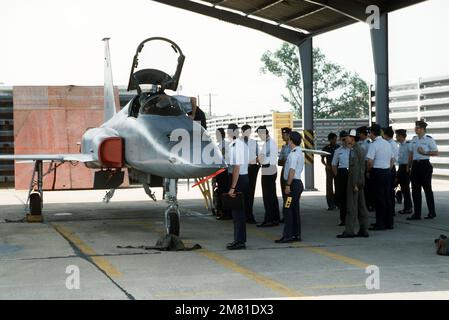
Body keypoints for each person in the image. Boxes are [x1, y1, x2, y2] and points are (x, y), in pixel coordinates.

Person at [337, 129, 369, 238]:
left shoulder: (354, 151)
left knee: (351, 207)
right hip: (361, 180)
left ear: (352, 138)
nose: (347, 138)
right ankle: (364, 229)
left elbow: (355, 169)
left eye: (348, 136)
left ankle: (349, 231)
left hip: (354, 181)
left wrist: (355, 184)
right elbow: (362, 169)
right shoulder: (361, 149)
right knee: (361, 206)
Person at [275, 131, 304, 243]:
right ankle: (296, 234)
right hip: (297, 184)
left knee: (287, 209)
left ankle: (287, 236)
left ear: (291, 140)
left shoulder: (293, 154)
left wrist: (287, 185)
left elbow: (292, 170)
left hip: (292, 185)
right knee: (294, 209)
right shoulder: (299, 152)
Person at [407, 120, 439, 221]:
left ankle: (432, 212)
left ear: (423, 129)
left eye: (418, 127)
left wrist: (424, 152)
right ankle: (417, 214)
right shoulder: (414, 139)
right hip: (415, 166)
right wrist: (409, 166)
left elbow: (436, 152)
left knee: (427, 189)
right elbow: (411, 154)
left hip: (425, 165)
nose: (416, 129)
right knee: (415, 191)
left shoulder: (429, 139)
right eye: (415, 127)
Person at [225, 123, 249, 250]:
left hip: (238, 179)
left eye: (229, 131)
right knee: (238, 212)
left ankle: (239, 241)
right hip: (242, 178)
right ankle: (239, 239)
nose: (228, 134)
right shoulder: (240, 144)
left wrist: (233, 187)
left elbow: (237, 167)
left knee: (238, 212)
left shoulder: (236, 145)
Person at [366, 124, 394, 231]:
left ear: (372, 133)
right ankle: (389, 222)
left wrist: (369, 171)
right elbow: (392, 159)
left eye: (369, 133)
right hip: (387, 172)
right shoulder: (387, 143)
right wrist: (388, 169)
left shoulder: (374, 145)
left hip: (377, 172)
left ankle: (380, 223)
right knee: (387, 198)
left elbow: (370, 161)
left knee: (379, 199)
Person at [256, 125, 281, 227]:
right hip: (270, 168)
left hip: (268, 169)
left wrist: (255, 160)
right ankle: (275, 218)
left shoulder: (269, 144)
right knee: (272, 195)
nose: (259, 136)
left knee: (267, 196)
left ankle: (269, 219)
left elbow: (261, 158)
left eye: (259, 134)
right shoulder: (269, 142)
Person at [332, 131, 351, 226]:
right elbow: (334, 165)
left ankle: (353, 218)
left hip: (352, 173)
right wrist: (337, 176)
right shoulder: (338, 151)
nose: (344, 141)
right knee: (343, 197)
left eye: (346, 138)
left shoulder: (353, 149)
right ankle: (343, 219)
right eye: (342, 139)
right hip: (342, 173)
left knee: (352, 197)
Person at [241, 124, 259, 224]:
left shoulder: (254, 142)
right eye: (245, 131)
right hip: (242, 169)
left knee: (251, 193)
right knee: (243, 193)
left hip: (252, 169)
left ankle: (249, 215)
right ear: (242, 132)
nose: (247, 133)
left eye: (249, 131)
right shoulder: (238, 143)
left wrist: (255, 161)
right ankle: (242, 215)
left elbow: (258, 155)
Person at [215, 128, 232, 220]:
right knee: (223, 191)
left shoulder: (223, 145)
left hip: (223, 171)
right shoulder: (223, 144)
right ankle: (226, 212)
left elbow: (220, 158)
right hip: (223, 171)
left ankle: (225, 212)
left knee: (223, 192)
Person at [395, 129, 413, 215]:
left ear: (401, 136)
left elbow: (410, 156)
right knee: (402, 187)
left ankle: (408, 208)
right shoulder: (400, 145)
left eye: (397, 136)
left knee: (405, 189)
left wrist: (408, 167)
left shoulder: (408, 145)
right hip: (401, 167)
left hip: (406, 168)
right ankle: (407, 206)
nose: (396, 137)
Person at [321, 133, 340, 211]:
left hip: (337, 168)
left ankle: (337, 203)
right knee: (329, 187)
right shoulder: (325, 148)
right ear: (330, 140)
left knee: (338, 186)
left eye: (335, 139)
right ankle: (331, 204)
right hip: (329, 168)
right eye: (333, 139)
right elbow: (322, 159)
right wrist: (326, 165)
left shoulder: (339, 148)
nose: (335, 141)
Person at [383, 126, 399, 217]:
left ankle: (391, 210)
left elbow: (392, 159)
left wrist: (388, 169)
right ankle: (390, 210)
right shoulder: (390, 143)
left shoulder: (390, 144)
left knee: (389, 191)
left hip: (390, 168)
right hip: (390, 167)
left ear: (386, 135)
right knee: (389, 191)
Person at [357, 126, 374, 211]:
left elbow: (369, 158)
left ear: (364, 134)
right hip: (360, 165)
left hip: (366, 165)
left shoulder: (369, 143)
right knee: (362, 186)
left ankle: (369, 204)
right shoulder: (359, 143)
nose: (359, 135)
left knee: (368, 187)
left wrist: (368, 170)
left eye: (360, 133)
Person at [278, 127, 292, 207]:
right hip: (284, 171)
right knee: (284, 193)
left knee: (289, 194)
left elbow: (291, 163)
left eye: (284, 135)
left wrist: (285, 161)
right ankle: (286, 213)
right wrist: (286, 162)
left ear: (289, 135)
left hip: (290, 172)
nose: (282, 137)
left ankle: (289, 211)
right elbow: (279, 162)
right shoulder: (284, 147)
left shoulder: (293, 148)